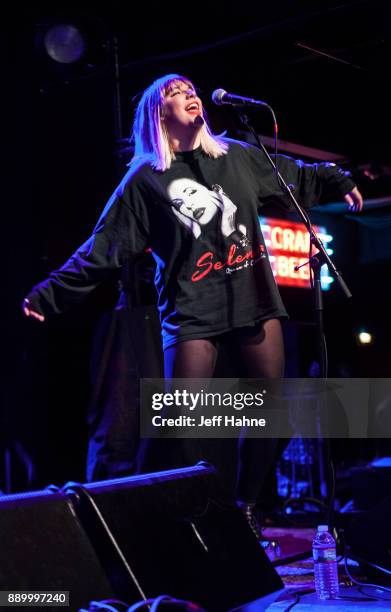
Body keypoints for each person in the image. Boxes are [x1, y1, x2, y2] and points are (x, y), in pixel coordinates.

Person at [23, 73, 363, 538]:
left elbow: (293, 174)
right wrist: (50, 293)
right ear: (157, 113)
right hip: (191, 313)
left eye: (192, 91)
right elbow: (104, 244)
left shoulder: (236, 157)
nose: (190, 95)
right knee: (181, 425)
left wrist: (336, 178)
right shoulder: (145, 180)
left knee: (275, 411)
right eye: (175, 93)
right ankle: (179, 522)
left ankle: (244, 504)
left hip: (255, 300)